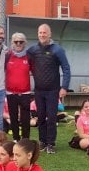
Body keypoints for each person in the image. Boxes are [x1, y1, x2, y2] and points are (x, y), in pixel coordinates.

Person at [27, 23, 71, 154]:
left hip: (53, 91)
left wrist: (64, 87)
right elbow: (22, 61)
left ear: (49, 34)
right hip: (39, 91)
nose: (42, 35)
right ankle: (42, 142)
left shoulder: (57, 50)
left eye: (44, 32)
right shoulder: (33, 50)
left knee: (51, 118)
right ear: (37, 34)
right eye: (40, 33)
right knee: (40, 117)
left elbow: (66, 68)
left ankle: (51, 143)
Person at [5, 32, 32, 142]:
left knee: (25, 118)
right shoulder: (7, 55)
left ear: (25, 43)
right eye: (16, 41)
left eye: (21, 41)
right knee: (13, 117)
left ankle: (25, 139)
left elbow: (35, 70)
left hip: (25, 93)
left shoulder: (29, 56)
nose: (19, 44)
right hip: (11, 93)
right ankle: (16, 138)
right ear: (12, 43)